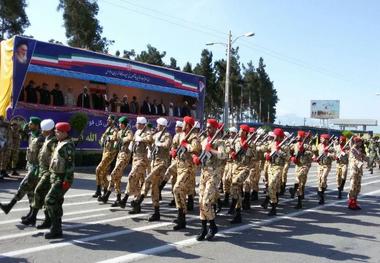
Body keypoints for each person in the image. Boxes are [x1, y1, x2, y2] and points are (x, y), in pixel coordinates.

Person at [0, 117, 44, 218]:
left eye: (31, 123)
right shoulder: (31, 135)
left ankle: (9, 206)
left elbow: (44, 155)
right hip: (30, 166)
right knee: (30, 192)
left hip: (36, 168)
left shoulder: (41, 138)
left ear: (37, 126)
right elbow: (20, 133)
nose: (29, 124)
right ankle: (32, 214)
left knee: (23, 186)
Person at [193, 119, 225, 241]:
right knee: (201, 202)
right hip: (204, 173)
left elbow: (223, 155)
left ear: (216, 128)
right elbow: (197, 153)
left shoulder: (220, 141)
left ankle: (212, 226)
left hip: (214, 174)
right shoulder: (204, 140)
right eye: (207, 127)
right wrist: (196, 158)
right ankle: (204, 229)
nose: (208, 129)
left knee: (206, 201)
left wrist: (211, 149)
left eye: (210, 127)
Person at [134, 117, 172, 220]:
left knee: (148, 179)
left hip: (162, 163)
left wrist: (160, 144)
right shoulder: (156, 135)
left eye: (158, 125)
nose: (157, 126)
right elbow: (150, 140)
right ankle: (156, 213)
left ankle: (139, 201)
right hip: (154, 163)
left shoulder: (167, 135)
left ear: (163, 126)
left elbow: (167, 144)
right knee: (154, 188)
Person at [21, 119, 57, 226]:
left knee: (40, 193)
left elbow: (55, 158)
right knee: (40, 194)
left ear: (49, 131)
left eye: (44, 130)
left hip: (48, 172)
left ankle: (43, 219)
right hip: (41, 171)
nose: (41, 131)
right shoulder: (47, 139)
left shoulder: (52, 141)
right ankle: (39, 217)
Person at [44, 122, 75, 239]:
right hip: (55, 176)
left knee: (50, 200)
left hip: (62, 178)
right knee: (56, 201)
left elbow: (70, 165)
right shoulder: (60, 142)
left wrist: (66, 181)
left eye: (57, 131)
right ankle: (57, 228)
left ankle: (55, 227)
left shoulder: (68, 146)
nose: (55, 133)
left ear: (64, 132)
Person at [172, 116, 201, 230]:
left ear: (188, 125)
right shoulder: (179, 135)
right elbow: (173, 146)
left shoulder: (194, 136)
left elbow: (196, 148)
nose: (182, 124)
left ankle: (182, 216)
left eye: (184, 123)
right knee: (181, 192)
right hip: (179, 167)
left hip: (188, 168)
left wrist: (186, 145)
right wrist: (173, 151)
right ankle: (181, 217)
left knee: (177, 189)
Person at [119, 116, 153, 212]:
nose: (136, 125)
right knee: (138, 182)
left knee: (132, 176)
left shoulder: (147, 132)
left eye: (137, 123)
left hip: (142, 159)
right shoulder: (137, 131)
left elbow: (150, 138)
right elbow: (133, 142)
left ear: (142, 124)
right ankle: (137, 204)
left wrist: (141, 139)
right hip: (135, 158)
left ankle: (125, 197)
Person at [99, 116, 133, 207]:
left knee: (113, 174)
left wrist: (122, 139)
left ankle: (107, 195)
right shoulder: (120, 132)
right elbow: (114, 138)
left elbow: (130, 138)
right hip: (119, 155)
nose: (119, 125)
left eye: (121, 123)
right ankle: (118, 199)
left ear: (124, 124)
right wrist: (108, 138)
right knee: (117, 177)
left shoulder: (128, 131)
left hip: (125, 156)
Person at [228, 124, 253, 223]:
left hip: (245, 168)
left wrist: (247, 149)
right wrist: (232, 154)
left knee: (235, 182)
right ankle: (238, 214)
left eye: (242, 130)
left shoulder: (250, 142)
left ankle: (233, 204)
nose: (240, 132)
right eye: (240, 130)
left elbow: (255, 156)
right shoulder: (236, 141)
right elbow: (230, 150)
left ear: (246, 133)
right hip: (236, 167)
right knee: (235, 190)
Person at [93, 115, 119, 198]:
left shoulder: (115, 129)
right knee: (104, 173)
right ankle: (103, 191)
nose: (107, 121)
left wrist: (107, 137)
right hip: (105, 152)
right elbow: (103, 136)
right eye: (108, 119)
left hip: (110, 154)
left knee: (98, 169)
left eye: (109, 119)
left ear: (113, 121)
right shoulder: (108, 129)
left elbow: (115, 137)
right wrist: (102, 140)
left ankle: (98, 189)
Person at [289, 131, 313, 209]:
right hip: (298, 165)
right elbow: (290, 152)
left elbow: (311, 154)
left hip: (305, 165)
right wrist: (292, 157)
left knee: (299, 178)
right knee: (299, 184)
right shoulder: (294, 145)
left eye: (299, 135)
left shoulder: (307, 146)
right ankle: (299, 202)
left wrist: (303, 151)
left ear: (302, 137)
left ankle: (293, 190)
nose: (297, 137)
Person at [314, 134, 336, 205]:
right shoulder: (319, 146)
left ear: (326, 140)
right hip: (320, 165)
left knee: (323, 178)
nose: (320, 139)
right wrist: (315, 158)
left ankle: (322, 191)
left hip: (327, 166)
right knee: (319, 179)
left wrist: (328, 153)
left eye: (322, 138)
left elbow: (334, 157)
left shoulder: (331, 148)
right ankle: (321, 196)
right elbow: (315, 154)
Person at [347, 137, 367, 210]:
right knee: (353, 186)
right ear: (356, 142)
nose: (361, 143)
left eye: (361, 142)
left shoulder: (360, 150)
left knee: (358, 187)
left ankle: (354, 203)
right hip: (354, 170)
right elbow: (355, 159)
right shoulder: (352, 149)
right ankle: (351, 203)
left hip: (359, 171)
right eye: (359, 142)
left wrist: (372, 160)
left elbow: (365, 158)